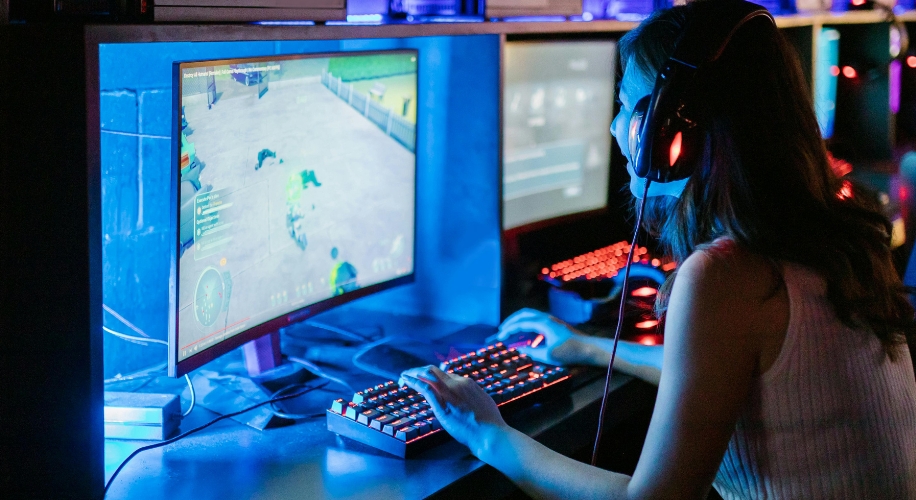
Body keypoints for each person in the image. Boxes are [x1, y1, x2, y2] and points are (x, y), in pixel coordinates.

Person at [400, 1, 916, 498]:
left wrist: (488, 434)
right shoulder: (837, 237)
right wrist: (587, 347)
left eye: (628, 108)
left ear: (676, 134)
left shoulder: (726, 275)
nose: (614, 128)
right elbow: (714, 374)